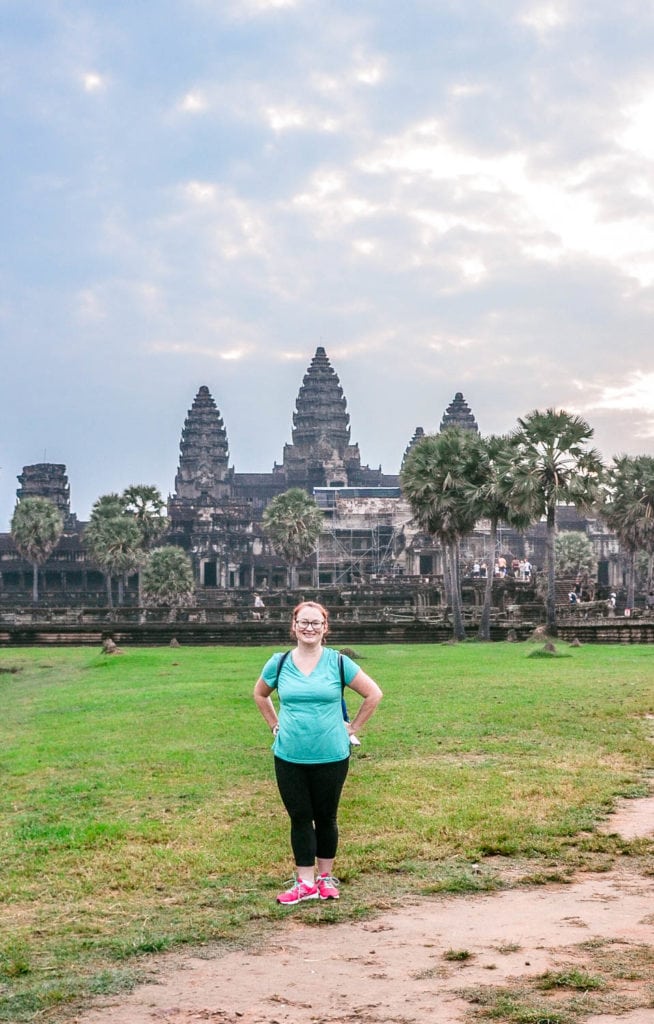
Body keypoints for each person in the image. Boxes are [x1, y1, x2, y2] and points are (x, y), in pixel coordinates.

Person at [253, 600, 383, 906]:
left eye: (316, 623)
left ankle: (325, 878)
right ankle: (305, 882)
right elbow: (260, 694)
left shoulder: (338, 662)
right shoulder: (279, 662)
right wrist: (274, 724)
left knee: (326, 816)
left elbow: (373, 693)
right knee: (299, 817)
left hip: (331, 753)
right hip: (289, 754)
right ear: (294, 626)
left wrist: (351, 728)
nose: (309, 628)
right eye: (304, 622)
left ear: (325, 628)